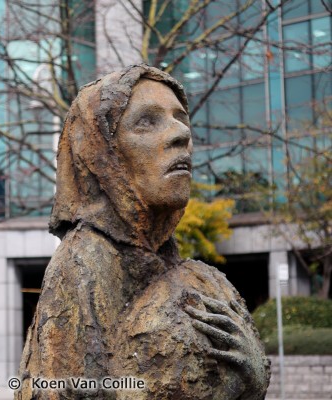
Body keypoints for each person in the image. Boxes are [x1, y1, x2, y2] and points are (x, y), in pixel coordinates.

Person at [16, 65, 270, 399]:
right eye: (147, 122)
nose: (181, 133)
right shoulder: (85, 262)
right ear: (101, 153)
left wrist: (251, 374)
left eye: (180, 117)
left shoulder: (185, 270)